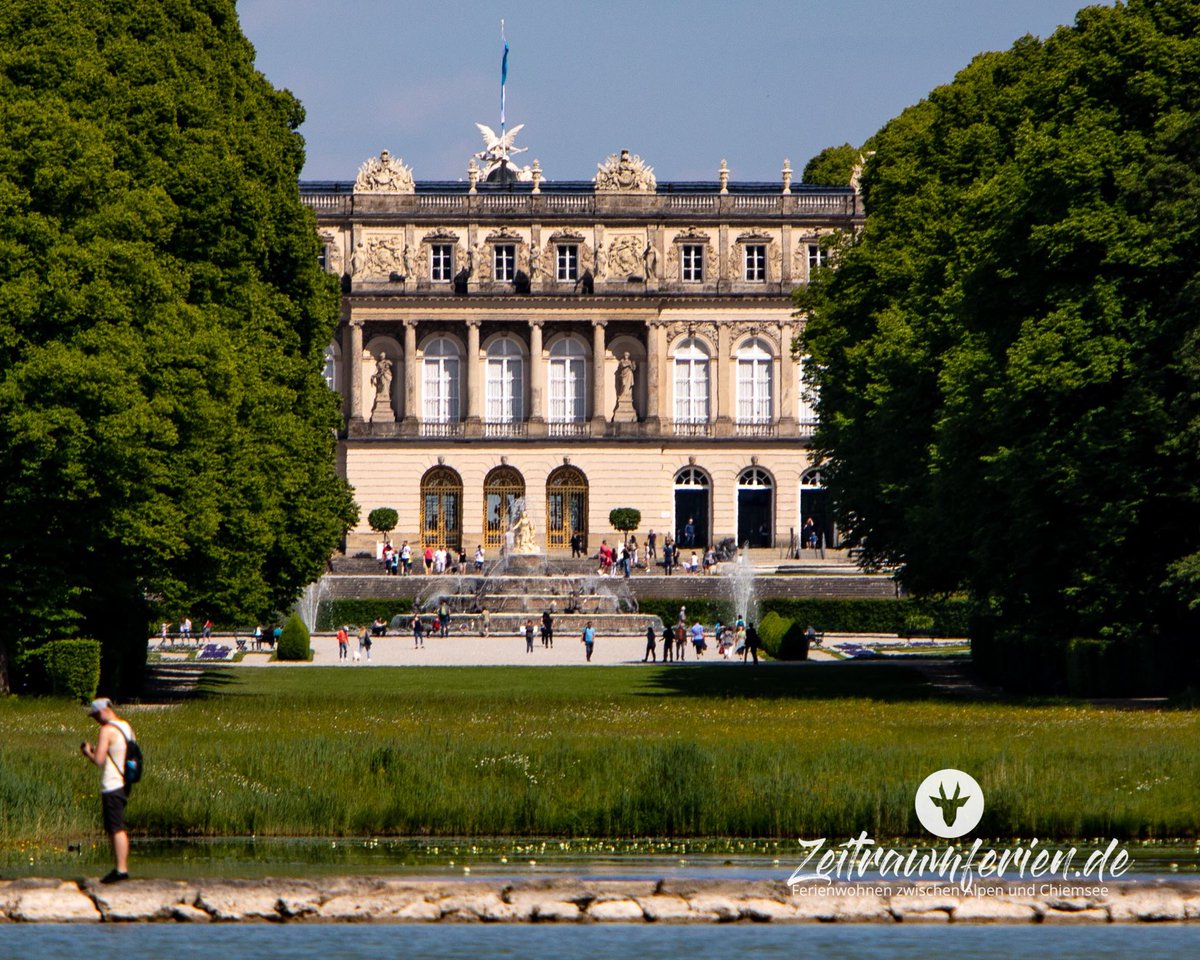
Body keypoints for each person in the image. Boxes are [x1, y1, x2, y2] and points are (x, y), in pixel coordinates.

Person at [80, 698, 135, 883]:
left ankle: (121, 870)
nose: (96, 720)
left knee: (115, 827)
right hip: (124, 783)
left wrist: (88, 752)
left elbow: (99, 760)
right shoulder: (125, 726)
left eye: (96, 715)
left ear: (104, 710)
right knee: (116, 826)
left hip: (112, 783)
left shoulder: (106, 730)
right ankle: (121, 868)